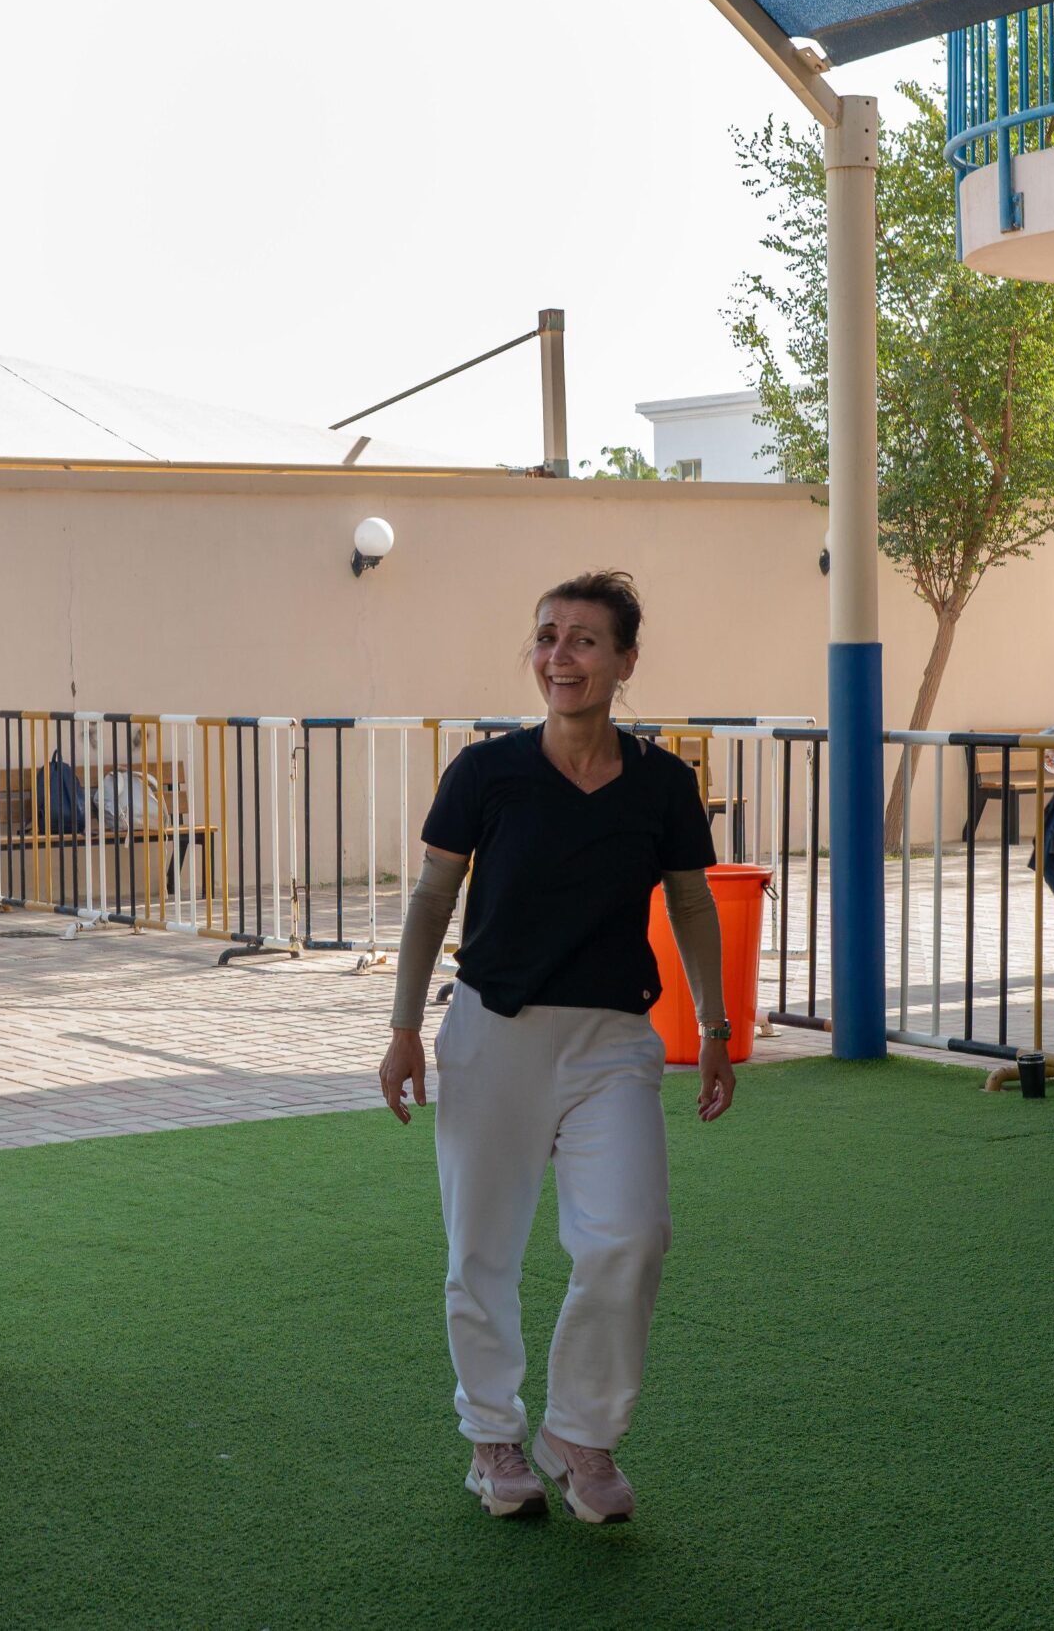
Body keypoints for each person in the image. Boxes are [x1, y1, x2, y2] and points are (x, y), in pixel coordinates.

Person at [379, 571, 737, 1527]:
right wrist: (406, 1027)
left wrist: (713, 1027)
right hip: (493, 1034)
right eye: (547, 637)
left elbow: (694, 902)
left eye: (584, 640)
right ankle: (491, 1436)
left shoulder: (663, 782)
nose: (559, 656)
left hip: (615, 1039)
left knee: (630, 1234)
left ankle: (580, 1436)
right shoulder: (486, 772)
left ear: (625, 661)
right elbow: (429, 901)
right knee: (481, 1251)